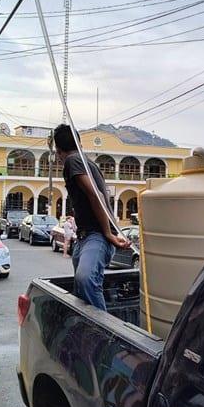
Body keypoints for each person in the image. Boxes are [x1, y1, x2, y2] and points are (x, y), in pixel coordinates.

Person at [52, 124, 130, 310]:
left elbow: (97, 195)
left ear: (58, 150)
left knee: (85, 279)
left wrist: (107, 233)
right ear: (79, 143)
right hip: (84, 238)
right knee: (82, 292)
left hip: (97, 236)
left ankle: (106, 334)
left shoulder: (72, 160)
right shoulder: (87, 162)